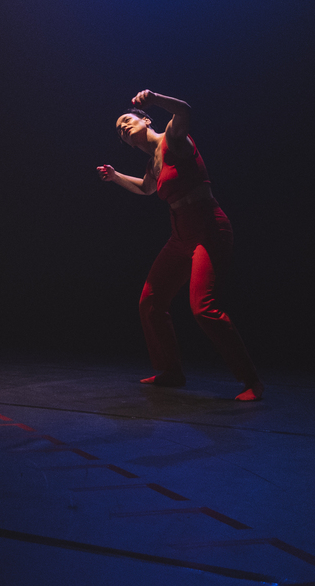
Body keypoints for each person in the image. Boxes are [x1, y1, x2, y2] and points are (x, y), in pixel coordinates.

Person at [97, 90, 263, 401]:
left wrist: (153, 97)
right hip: (180, 234)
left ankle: (251, 380)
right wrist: (116, 176)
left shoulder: (172, 138)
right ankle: (171, 371)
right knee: (150, 301)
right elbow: (147, 189)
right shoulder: (152, 164)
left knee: (203, 307)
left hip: (208, 227)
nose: (123, 128)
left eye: (126, 121)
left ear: (146, 121)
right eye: (119, 130)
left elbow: (184, 110)